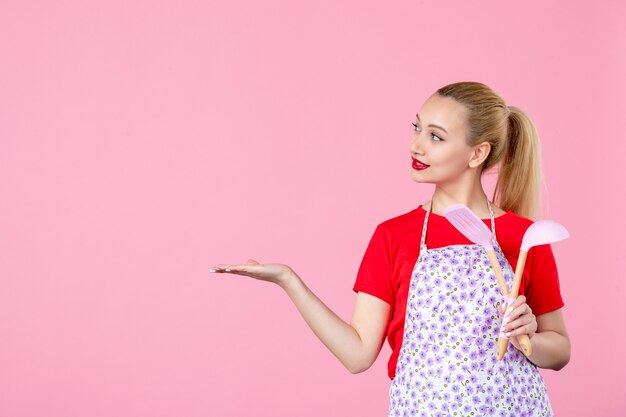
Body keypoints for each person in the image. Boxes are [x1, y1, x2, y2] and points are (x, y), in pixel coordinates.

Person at [210, 81, 571, 416]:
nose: (417, 145)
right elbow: (357, 355)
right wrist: (288, 280)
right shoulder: (393, 236)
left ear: (477, 153)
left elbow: (560, 350)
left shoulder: (525, 238)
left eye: (436, 136)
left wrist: (528, 340)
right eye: (417, 129)